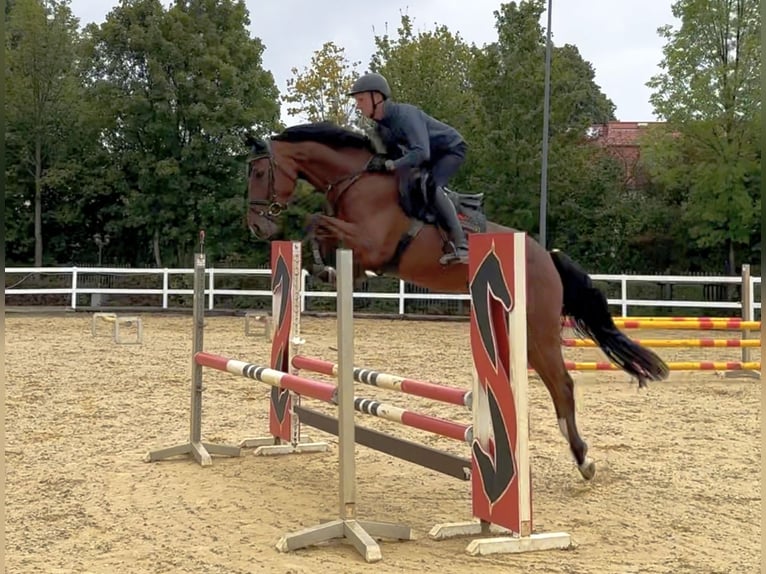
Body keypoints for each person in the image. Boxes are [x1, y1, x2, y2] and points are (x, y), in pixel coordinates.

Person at [348, 72, 469, 265]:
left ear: (376, 98)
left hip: (450, 150)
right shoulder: (381, 128)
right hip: (428, 153)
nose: (358, 105)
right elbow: (390, 159)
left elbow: (421, 153)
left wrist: (392, 165)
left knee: (430, 185)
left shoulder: (406, 115)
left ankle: (462, 246)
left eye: (361, 99)